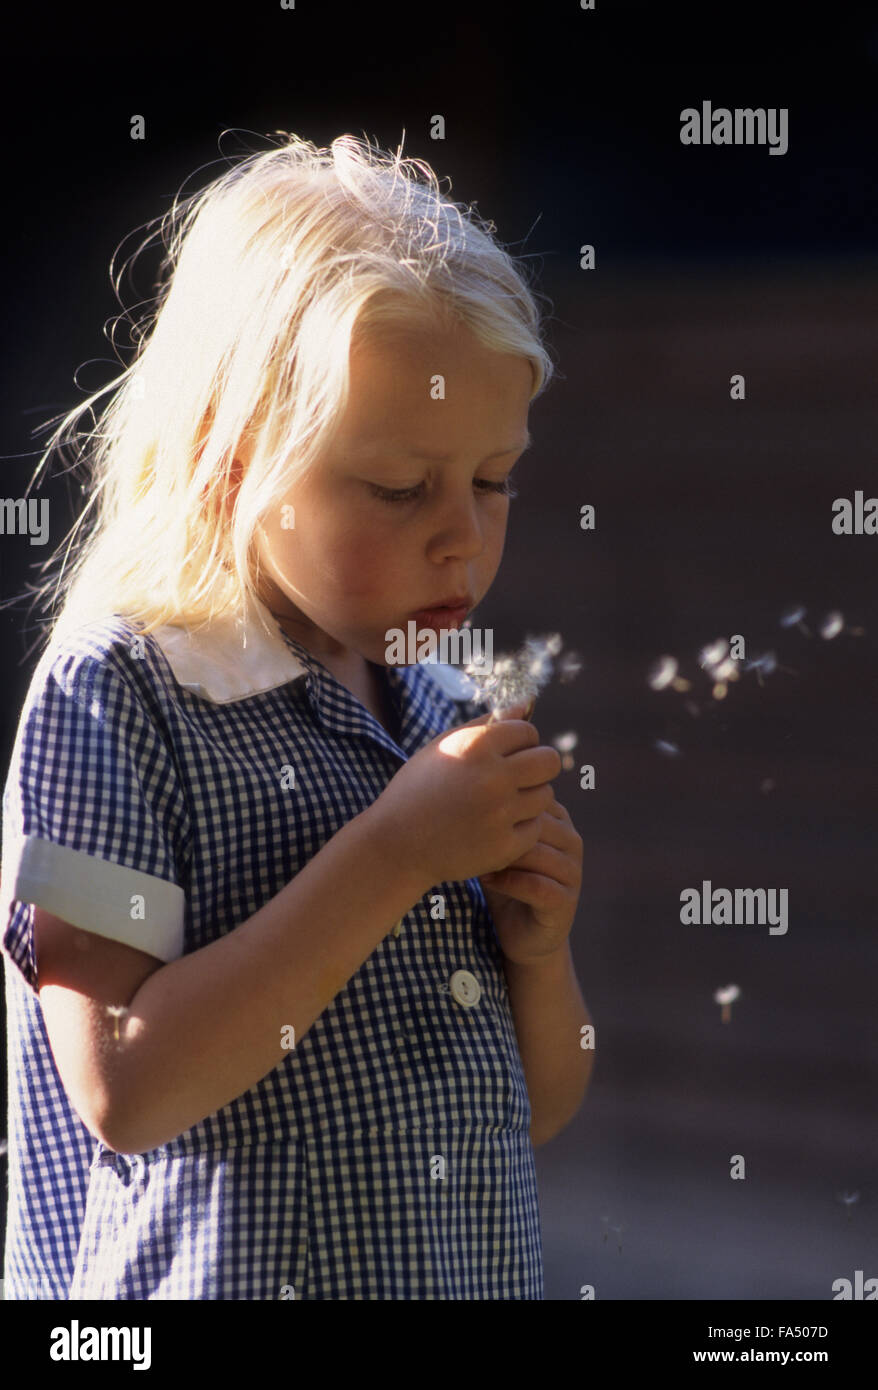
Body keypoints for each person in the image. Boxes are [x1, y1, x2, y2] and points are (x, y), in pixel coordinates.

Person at [0, 132, 591, 1300]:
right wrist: (394, 854)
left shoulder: (443, 703)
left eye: (491, 479)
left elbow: (534, 1109)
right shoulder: (115, 693)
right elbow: (124, 1084)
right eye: (397, 486)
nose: (461, 535)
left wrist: (538, 954)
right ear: (233, 463)